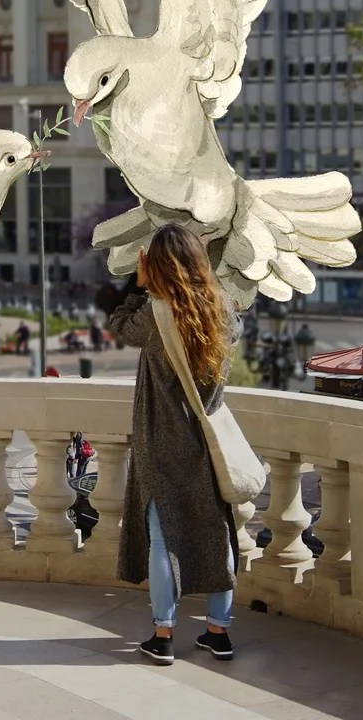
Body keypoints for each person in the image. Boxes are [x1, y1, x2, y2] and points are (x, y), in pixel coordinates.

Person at [106, 225, 238, 666]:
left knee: (162, 537)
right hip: (206, 440)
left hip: (160, 440)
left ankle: (163, 634)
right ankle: (218, 632)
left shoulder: (154, 316)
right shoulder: (223, 309)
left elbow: (120, 326)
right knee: (216, 532)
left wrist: (140, 286)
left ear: (158, 266)